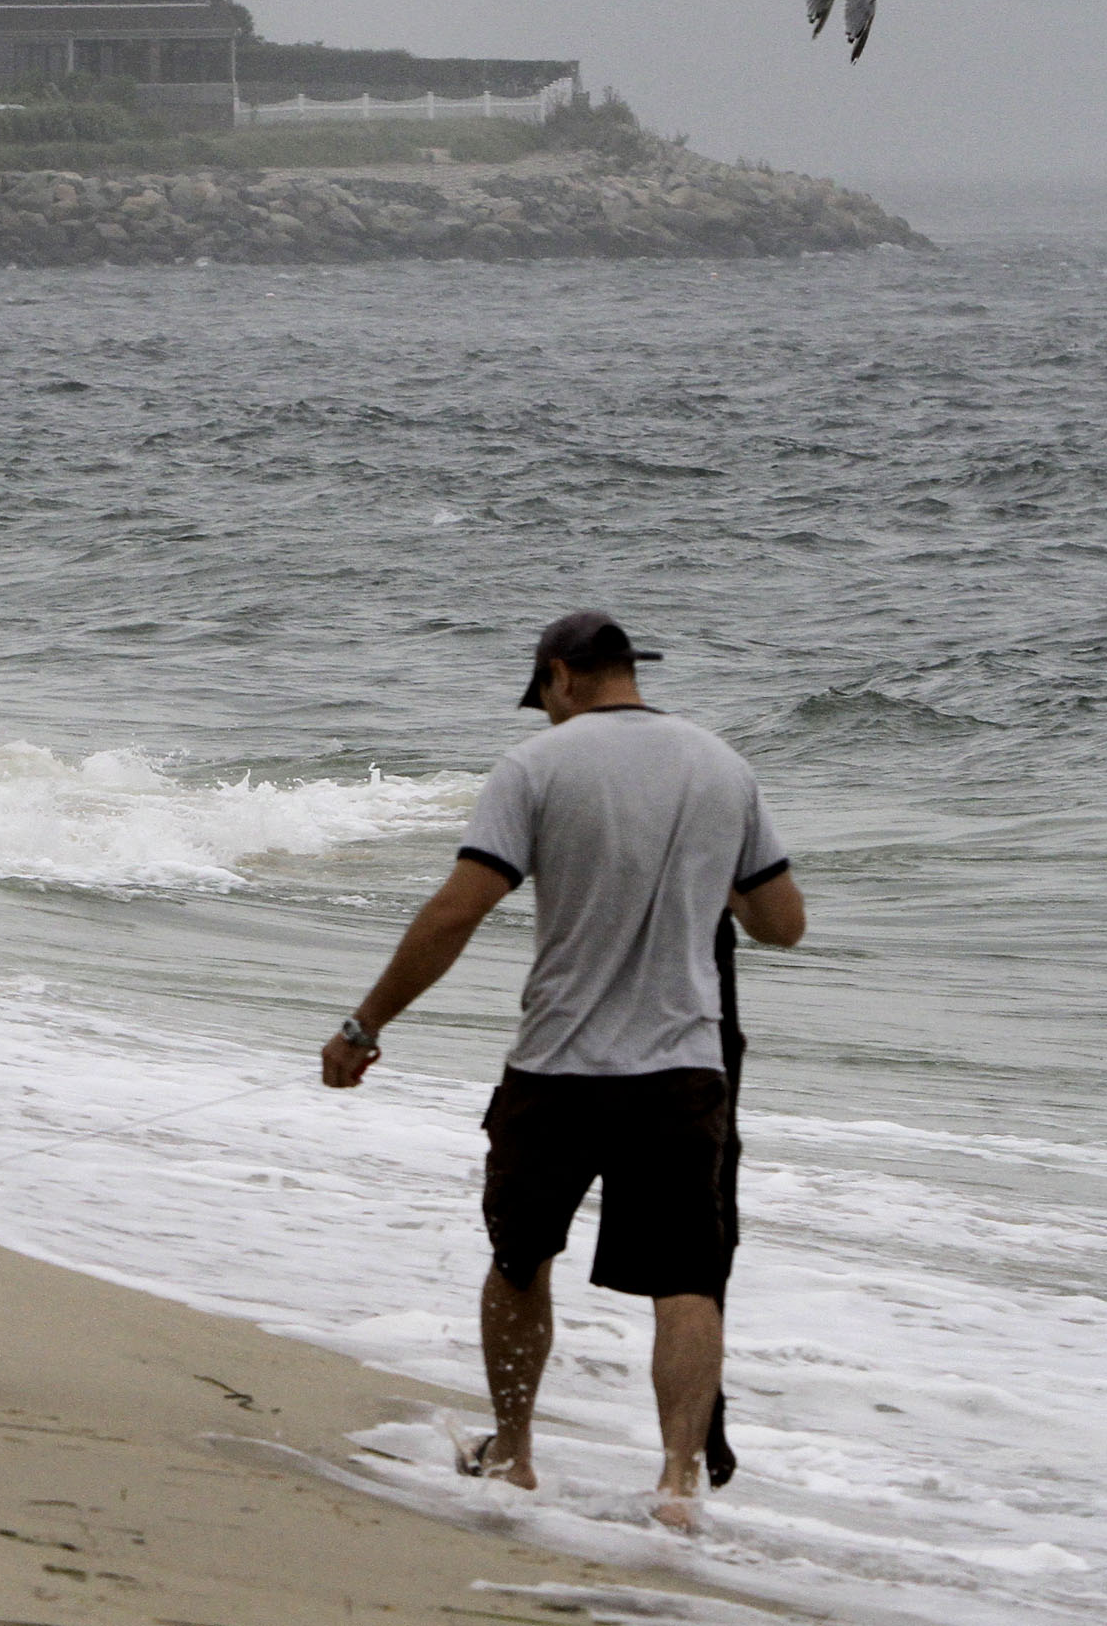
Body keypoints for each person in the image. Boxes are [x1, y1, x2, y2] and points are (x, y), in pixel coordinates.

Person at [320, 611, 805, 1532]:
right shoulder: (721, 766)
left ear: (559, 678)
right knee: (686, 1279)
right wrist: (714, 883)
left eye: (544, 697)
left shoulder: (534, 768)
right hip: (683, 1070)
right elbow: (784, 924)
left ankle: (514, 1455)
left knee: (518, 1258)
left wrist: (364, 1023)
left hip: (558, 1067)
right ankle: (674, 1486)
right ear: (629, 671)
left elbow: (459, 910)